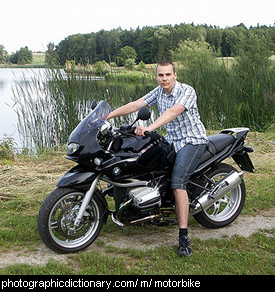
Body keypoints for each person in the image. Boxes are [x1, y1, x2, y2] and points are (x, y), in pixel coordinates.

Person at [106, 60, 208, 257]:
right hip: (171, 140)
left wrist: (149, 128)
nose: (164, 79)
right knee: (144, 165)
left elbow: (172, 112)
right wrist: (107, 116)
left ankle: (183, 236)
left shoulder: (187, 91)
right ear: (157, 76)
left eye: (168, 75)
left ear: (175, 75)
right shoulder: (158, 92)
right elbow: (136, 104)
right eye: (160, 75)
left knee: (178, 182)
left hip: (192, 141)